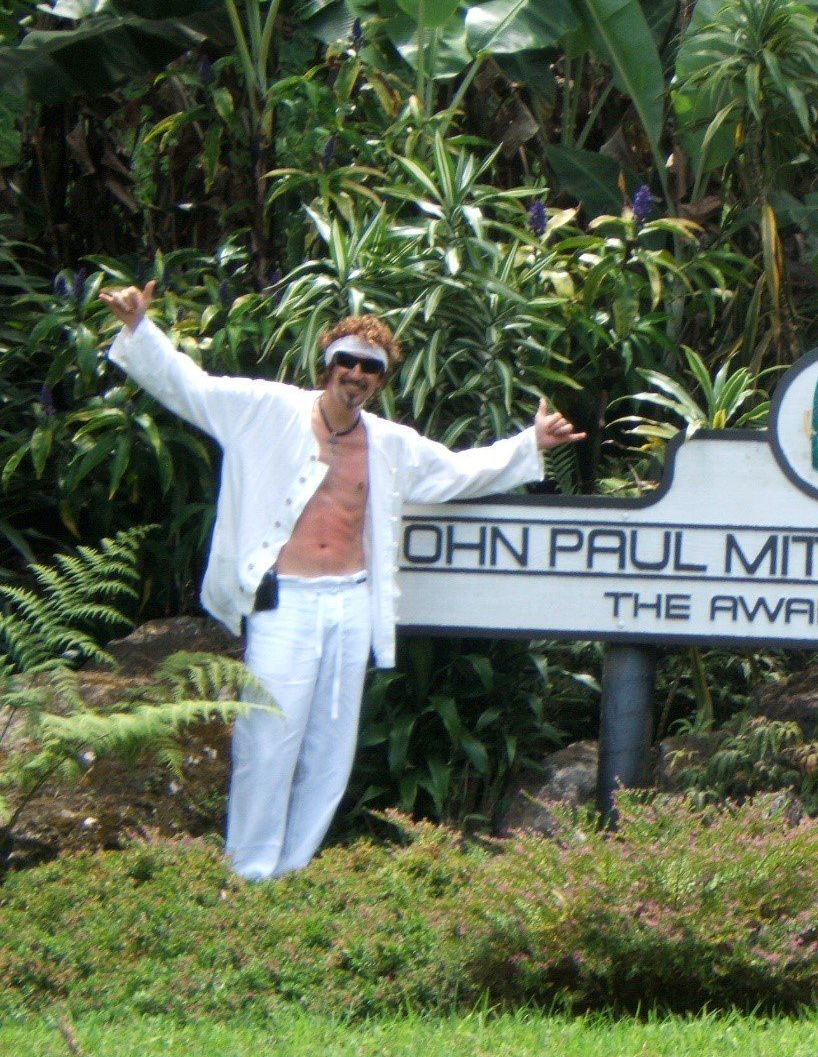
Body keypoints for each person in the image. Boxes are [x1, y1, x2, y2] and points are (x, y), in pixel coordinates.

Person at [100, 280, 584, 879]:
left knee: (331, 748)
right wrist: (139, 329)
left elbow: (459, 472)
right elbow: (191, 389)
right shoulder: (266, 410)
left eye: (370, 368)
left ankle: (293, 871)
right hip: (286, 604)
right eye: (347, 361)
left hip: (352, 603)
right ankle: (249, 874)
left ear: (381, 380)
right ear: (327, 363)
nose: (355, 374)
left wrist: (529, 443)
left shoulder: (391, 444)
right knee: (267, 739)